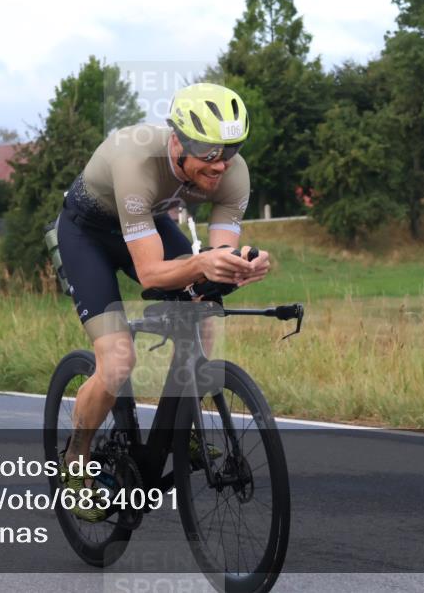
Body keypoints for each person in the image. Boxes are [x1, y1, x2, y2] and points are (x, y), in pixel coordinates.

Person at [55, 83, 272, 520]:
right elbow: (152, 273)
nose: (220, 165)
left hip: (146, 226)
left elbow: (218, 258)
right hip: (88, 236)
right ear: (177, 141)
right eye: (208, 153)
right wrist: (203, 265)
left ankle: (179, 426)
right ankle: (75, 462)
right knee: (118, 360)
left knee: (205, 311)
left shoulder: (233, 172)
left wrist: (239, 266)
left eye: (230, 151)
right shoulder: (136, 162)